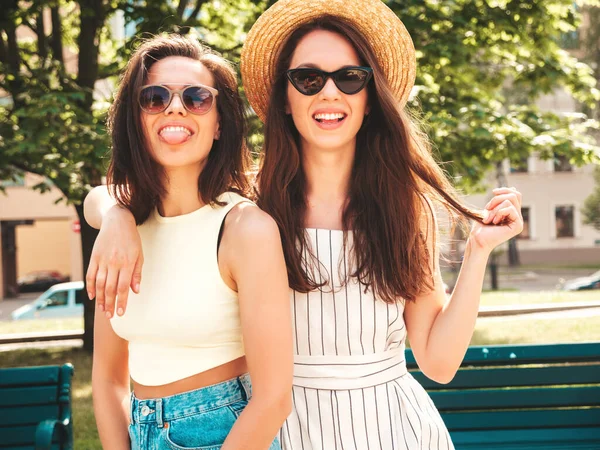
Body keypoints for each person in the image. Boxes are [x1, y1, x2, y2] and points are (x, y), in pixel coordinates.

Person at [86, 2, 524, 449]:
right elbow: (124, 196)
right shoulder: (251, 206)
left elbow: (439, 363)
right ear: (285, 99)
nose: (329, 93)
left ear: (371, 99)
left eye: (350, 78)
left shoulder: (401, 211)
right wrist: (117, 215)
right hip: (285, 433)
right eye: (309, 79)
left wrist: (478, 253)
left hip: (395, 430)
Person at [88, 34, 292, 450]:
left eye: (197, 98)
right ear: (136, 119)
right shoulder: (121, 233)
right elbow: (108, 379)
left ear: (219, 124)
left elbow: (274, 399)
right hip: (138, 431)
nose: (175, 106)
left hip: (224, 431)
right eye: (154, 97)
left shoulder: (245, 230)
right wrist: (115, 214)